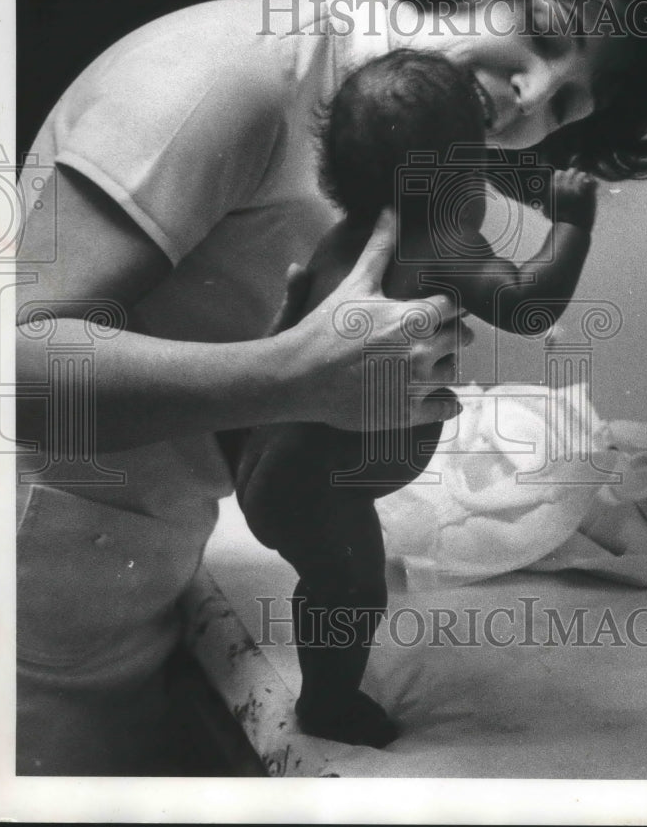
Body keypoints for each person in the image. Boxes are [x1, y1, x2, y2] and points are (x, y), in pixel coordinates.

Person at [15, 0, 647, 774]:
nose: (531, 96)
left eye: (567, 102)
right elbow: (5, 368)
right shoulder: (229, 75)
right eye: (539, 33)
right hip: (26, 588)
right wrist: (295, 377)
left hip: (136, 573)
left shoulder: (413, 153)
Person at [235, 48, 599, 748]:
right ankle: (328, 704)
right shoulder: (441, 238)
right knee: (350, 590)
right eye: (477, 156)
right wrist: (573, 224)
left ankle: (329, 681)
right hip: (318, 485)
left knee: (333, 577)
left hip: (270, 460)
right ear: (455, 173)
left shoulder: (351, 233)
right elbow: (526, 306)